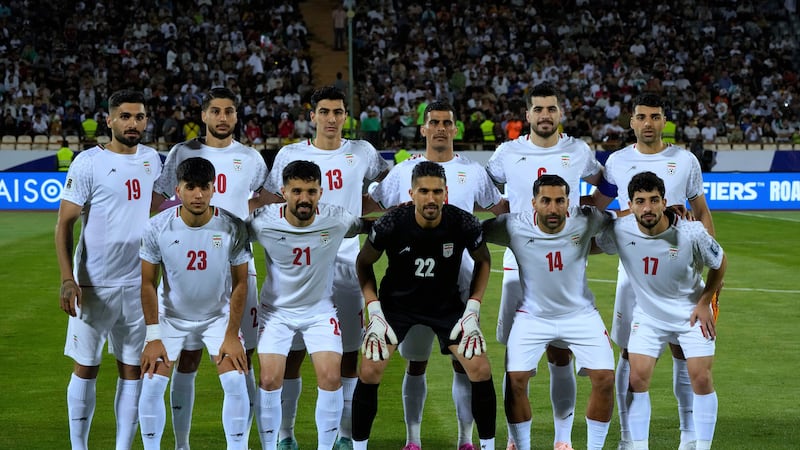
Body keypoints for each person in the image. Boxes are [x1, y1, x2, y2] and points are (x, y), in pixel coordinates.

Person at [367, 100, 508, 450]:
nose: (441, 128)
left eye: (447, 122)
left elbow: (498, 209)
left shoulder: (474, 172)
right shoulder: (403, 171)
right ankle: (413, 440)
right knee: (416, 363)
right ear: (424, 129)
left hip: (459, 283)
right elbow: (377, 208)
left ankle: (466, 440)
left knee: (465, 365)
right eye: (434, 122)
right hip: (411, 284)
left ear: (456, 129)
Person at [486, 82, 612, 449]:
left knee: (562, 353)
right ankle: (515, 438)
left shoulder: (577, 149)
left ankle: (562, 440)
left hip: (565, 258)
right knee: (516, 355)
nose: (545, 115)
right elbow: (486, 189)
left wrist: (585, 217)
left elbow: (604, 184)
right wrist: (506, 216)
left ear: (560, 113)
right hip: (518, 260)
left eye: (551, 109)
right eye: (538, 109)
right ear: (527, 115)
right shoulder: (508, 152)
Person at [264, 85, 389, 450]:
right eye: (324, 111)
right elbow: (276, 201)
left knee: (347, 353)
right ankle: (286, 433)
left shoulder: (362, 152)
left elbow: (375, 193)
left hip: (348, 261)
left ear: (345, 115)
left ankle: (343, 435)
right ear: (312, 115)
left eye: (337, 112)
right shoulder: (291, 154)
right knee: (293, 352)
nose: (331, 119)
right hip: (301, 265)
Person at [591, 93, 715, 450]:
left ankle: (689, 435)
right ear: (631, 121)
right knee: (630, 354)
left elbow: (701, 209)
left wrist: (704, 252)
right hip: (633, 272)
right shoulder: (616, 161)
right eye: (641, 117)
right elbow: (599, 211)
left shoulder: (685, 160)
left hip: (680, 273)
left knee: (684, 351)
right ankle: (629, 438)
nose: (648, 123)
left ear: (664, 121)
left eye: (655, 116)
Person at [152, 87, 271, 449]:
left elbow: (264, 197)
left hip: (236, 265)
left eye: (230, 111)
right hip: (186, 270)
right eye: (216, 111)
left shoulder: (250, 157)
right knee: (186, 358)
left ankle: (245, 442)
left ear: (237, 116)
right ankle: (182, 443)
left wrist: (246, 223)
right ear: (203, 115)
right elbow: (159, 198)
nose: (223, 118)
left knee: (239, 355)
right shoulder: (181, 152)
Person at [352, 161, 497, 450]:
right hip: (396, 307)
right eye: (424, 191)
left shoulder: (463, 222)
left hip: (447, 306)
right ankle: (359, 447)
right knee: (369, 370)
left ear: (446, 193)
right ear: (412, 192)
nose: (431, 199)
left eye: (437, 191)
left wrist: (473, 307)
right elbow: (364, 263)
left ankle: (487, 445)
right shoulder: (391, 223)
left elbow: (484, 260)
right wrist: (374, 308)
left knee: (480, 368)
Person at [56, 89, 162, 450]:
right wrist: (68, 279)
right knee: (86, 367)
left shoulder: (152, 160)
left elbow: (162, 208)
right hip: (93, 283)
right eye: (126, 117)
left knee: (132, 370)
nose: (134, 124)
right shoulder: (88, 162)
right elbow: (64, 224)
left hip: (138, 284)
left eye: (140, 117)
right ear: (110, 120)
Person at [249, 160, 367, 450]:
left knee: (330, 376)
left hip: (320, 312)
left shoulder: (337, 219)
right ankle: (276, 442)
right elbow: (229, 236)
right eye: (297, 191)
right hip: (276, 314)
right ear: (283, 192)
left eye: (312, 191)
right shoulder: (262, 221)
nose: (305, 198)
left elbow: (369, 227)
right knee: (269, 378)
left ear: (321, 192)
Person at [138, 157, 251, 449]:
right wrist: (153, 336)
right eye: (190, 187)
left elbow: (241, 283)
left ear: (214, 189)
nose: (198, 194)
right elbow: (147, 283)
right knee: (151, 385)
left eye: (204, 187)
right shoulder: (157, 227)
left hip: (217, 318)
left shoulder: (233, 227)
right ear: (178, 189)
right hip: (171, 318)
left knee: (237, 382)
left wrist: (231, 335)